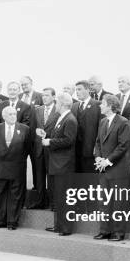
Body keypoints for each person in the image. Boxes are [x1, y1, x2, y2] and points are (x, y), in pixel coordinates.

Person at [93, 94, 130, 242]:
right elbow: (97, 143)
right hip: (104, 170)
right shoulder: (102, 121)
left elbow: (123, 146)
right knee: (104, 202)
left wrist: (107, 161)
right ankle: (105, 231)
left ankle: (118, 233)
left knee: (118, 204)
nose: (100, 106)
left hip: (118, 170)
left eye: (102, 103)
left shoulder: (124, 122)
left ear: (110, 106)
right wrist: (98, 157)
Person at [41, 93, 77, 236]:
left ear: (62, 104)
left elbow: (68, 140)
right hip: (57, 163)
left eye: (57, 103)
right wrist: (47, 136)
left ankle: (66, 228)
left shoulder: (70, 119)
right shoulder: (61, 118)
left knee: (64, 198)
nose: (55, 105)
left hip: (64, 164)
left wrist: (50, 142)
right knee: (58, 196)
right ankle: (58, 225)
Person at [0, 106, 30, 230]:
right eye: (10, 114)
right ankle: (1, 220)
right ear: (4, 116)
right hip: (0, 167)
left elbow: (28, 148)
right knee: (0, 195)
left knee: (15, 195)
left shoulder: (24, 129)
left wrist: (18, 159)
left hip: (17, 167)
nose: (13, 116)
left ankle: (12, 222)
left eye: (14, 114)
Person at [28, 87, 59, 209]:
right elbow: (33, 127)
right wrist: (36, 131)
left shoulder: (58, 110)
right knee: (39, 177)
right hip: (39, 148)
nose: (44, 98)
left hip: (52, 148)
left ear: (53, 97)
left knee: (51, 177)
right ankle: (40, 201)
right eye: (43, 95)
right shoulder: (37, 110)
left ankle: (53, 203)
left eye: (47, 95)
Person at [71, 80, 102, 173]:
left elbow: (101, 129)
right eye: (76, 90)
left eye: (79, 89)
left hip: (90, 150)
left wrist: (97, 148)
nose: (77, 92)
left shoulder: (98, 105)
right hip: (76, 150)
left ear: (88, 90)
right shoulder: (74, 106)